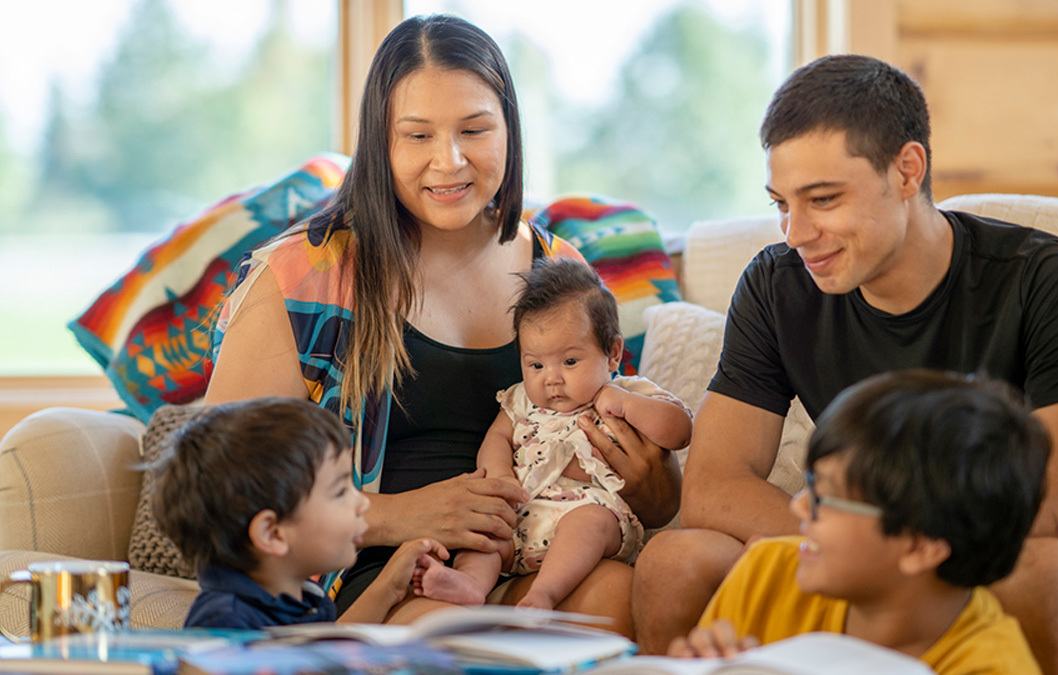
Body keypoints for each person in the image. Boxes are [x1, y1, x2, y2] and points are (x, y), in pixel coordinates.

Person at [631, 54, 1058, 673]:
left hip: (988, 551)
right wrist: (850, 546)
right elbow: (714, 489)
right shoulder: (777, 285)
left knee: (1042, 572)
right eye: (780, 204)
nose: (795, 233)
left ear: (907, 170)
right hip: (847, 544)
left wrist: (892, 548)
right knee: (673, 561)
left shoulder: (1039, 276)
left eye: (822, 199)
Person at [203, 14, 679, 634]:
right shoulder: (305, 275)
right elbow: (221, 489)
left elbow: (648, 478)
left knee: (616, 594)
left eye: (474, 129)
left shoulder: (560, 271)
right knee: (455, 637)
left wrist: (651, 480)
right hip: (380, 568)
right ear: (382, 143)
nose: (448, 161)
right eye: (417, 136)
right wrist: (399, 515)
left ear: (510, 130)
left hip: (537, 545)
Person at [669, 370, 1046, 674]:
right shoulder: (765, 573)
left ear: (919, 546)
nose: (799, 508)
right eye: (809, 485)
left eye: (824, 498)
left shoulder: (992, 666)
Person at [412, 258, 692, 610]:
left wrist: (626, 404)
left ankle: (544, 593)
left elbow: (679, 431)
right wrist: (499, 475)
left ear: (613, 354)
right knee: (485, 534)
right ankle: (469, 585)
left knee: (590, 524)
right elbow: (497, 438)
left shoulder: (627, 392)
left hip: (590, 510)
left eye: (570, 362)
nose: (551, 378)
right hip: (522, 515)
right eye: (536, 365)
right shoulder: (520, 399)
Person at [151, 397, 451, 629]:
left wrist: (389, 587)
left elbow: (325, 649)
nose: (362, 504)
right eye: (340, 492)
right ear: (273, 533)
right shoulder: (225, 620)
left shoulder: (301, 595)